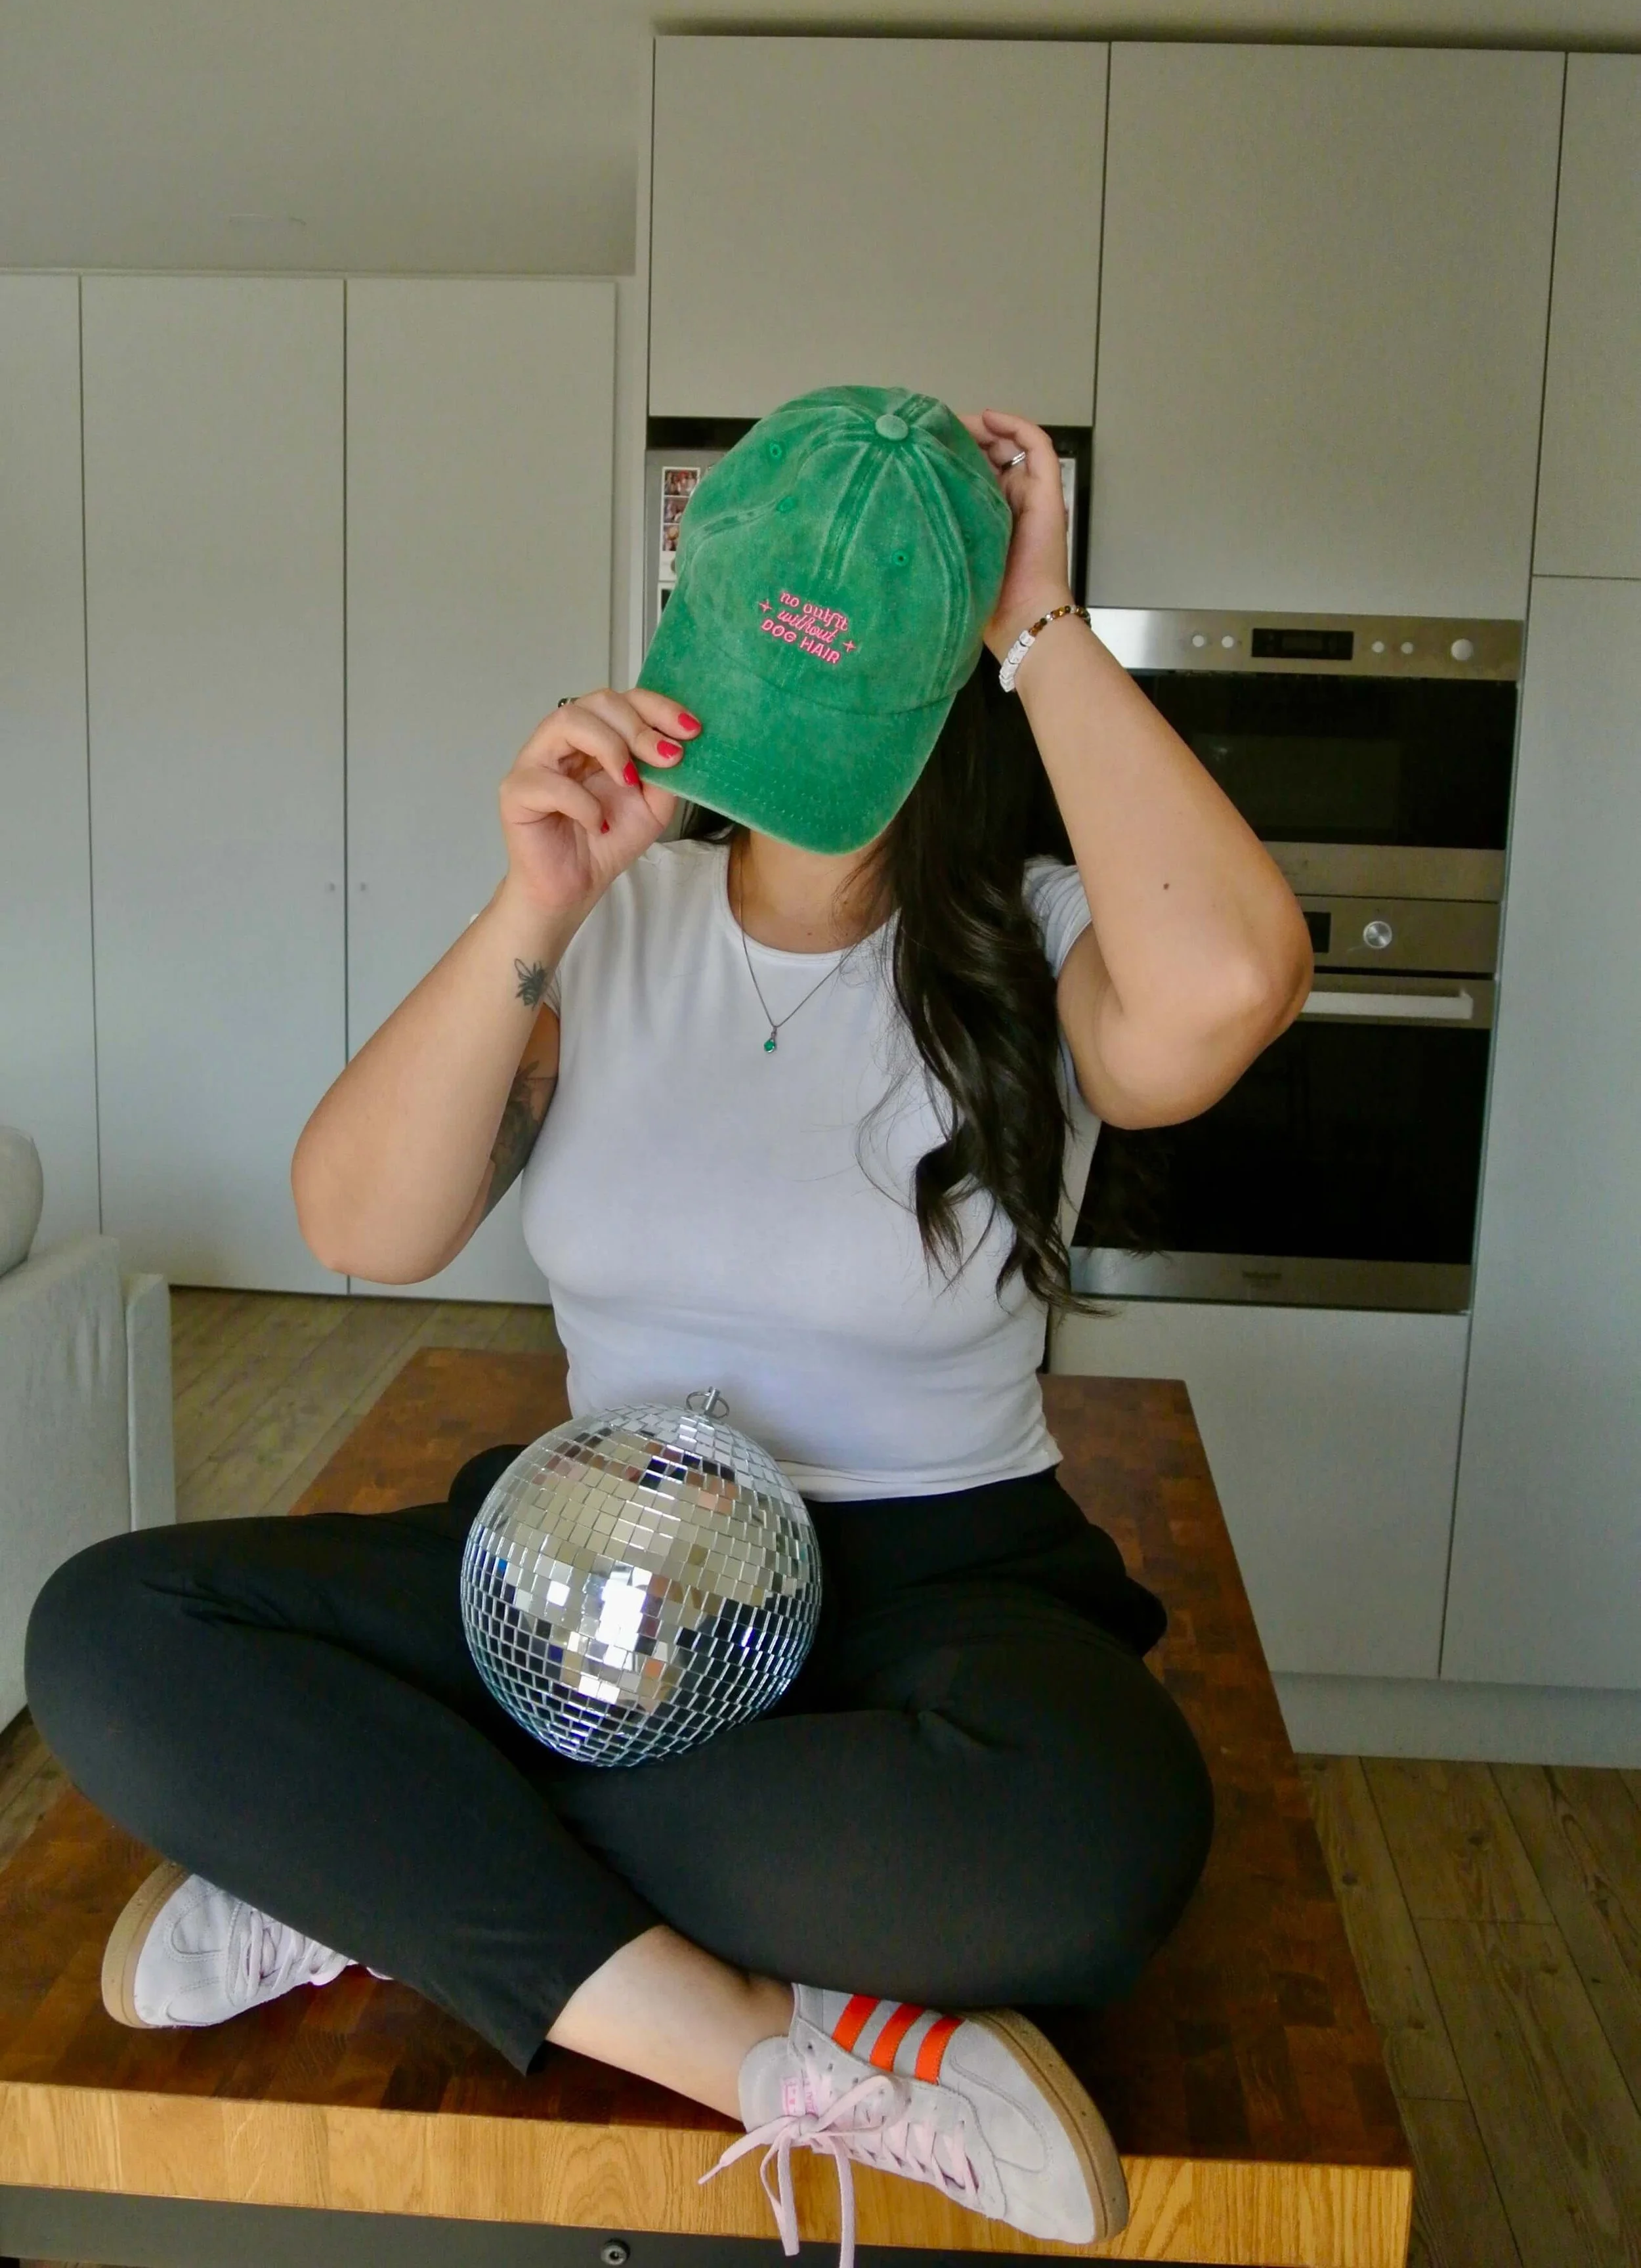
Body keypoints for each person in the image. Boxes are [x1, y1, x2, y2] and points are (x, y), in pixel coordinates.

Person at [26, 390, 1311, 2257]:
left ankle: (373, 1857)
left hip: (926, 1577)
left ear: (947, 692)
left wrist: (1036, 623)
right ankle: (764, 2048)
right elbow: (359, 1224)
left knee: (1094, 1843)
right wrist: (533, 900)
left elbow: (1237, 976)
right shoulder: (609, 925)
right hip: (577, 1562)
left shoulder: (1049, 943)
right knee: (114, 1628)